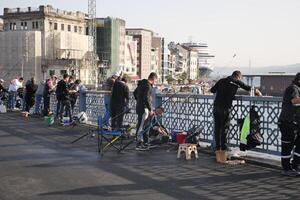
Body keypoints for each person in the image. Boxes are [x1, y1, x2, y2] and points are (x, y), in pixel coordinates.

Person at [210, 70, 262, 163]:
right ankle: (223, 151)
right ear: (238, 77)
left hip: (216, 107)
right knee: (224, 130)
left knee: (217, 129)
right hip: (225, 109)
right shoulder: (236, 82)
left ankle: (217, 150)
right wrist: (258, 92)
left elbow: (212, 90)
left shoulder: (221, 80)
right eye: (240, 78)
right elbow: (249, 88)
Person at [278, 72, 300, 177]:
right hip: (287, 122)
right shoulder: (293, 88)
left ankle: (295, 165)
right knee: (287, 146)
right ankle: (286, 168)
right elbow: (294, 100)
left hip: (295, 123)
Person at [134, 72, 158, 150]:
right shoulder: (148, 86)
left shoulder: (141, 83)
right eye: (156, 80)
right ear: (153, 79)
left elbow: (135, 93)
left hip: (139, 107)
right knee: (141, 126)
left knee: (142, 125)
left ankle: (143, 142)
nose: (155, 82)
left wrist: (138, 101)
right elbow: (146, 98)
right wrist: (150, 109)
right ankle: (138, 144)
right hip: (144, 108)